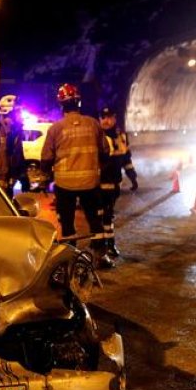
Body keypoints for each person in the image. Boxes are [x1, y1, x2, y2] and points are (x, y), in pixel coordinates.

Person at [41, 83, 114, 269]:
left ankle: (68, 258)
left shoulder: (55, 129)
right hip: (90, 184)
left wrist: (46, 176)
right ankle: (100, 256)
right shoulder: (93, 124)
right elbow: (105, 153)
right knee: (95, 221)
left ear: (61, 105)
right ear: (78, 102)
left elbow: (46, 158)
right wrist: (95, 169)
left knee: (66, 223)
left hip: (65, 185)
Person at [98, 107, 137, 258]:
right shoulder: (96, 136)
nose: (105, 121)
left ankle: (106, 242)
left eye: (109, 117)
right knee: (103, 215)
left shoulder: (121, 136)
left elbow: (126, 158)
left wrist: (132, 176)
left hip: (114, 184)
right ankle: (106, 244)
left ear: (114, 118)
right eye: (103, 117)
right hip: (99, 184)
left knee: (108, 215)